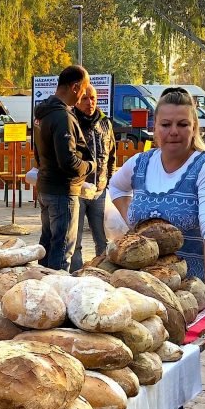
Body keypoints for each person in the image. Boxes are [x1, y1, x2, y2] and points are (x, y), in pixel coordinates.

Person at [89, 87, 205, 409]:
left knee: (166, 359)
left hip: (188, 279)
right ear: (155, 127)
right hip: (141, 277)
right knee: (133, 351)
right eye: (166, 124)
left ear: (194, 126)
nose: (174, 132)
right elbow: (115, 188)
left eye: (182, 124)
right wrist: (134, 224)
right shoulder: (140, 162)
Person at [33, 65, 95, 271]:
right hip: (62, 191)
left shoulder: (43, 113)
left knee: (47, 244)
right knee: (61, 252)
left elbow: (38, 153)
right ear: (75, 87)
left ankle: (41, 289)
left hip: (46, 187)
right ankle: (56, 294)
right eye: (84, 90)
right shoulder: (62, 117)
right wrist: (90, 166)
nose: (83, 96)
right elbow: (68, 162)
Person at [70, 84, 116, 270]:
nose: (90, 102)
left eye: (93, 98)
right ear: (77, 100)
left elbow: (111, 154)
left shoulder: (105, 123)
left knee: (103, 238)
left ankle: (104, 272)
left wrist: (109, 181)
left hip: (100, 190)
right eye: (85, 98)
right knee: (75, 239)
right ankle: (76, 274)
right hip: (78, 189)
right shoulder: (71, 120)